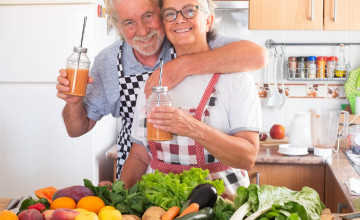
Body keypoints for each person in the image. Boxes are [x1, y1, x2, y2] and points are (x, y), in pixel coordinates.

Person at [56, 0, 267, 180]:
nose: (142, 31)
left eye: (148, 16)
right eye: (129, 22)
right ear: (118, 27)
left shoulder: (197, 41)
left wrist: (183, 66)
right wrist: (73, 103)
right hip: (145, 175)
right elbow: (80, 130)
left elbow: (258, 56)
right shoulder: (116, 65)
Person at [121, 0, 262, 196]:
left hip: (223, 203)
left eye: (189, 11)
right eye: (170, 14)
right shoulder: (154, 82)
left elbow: (247, 157)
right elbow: (139, 156)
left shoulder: (237, 79)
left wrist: (191, 127)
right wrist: (117, 197)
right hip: (160, 207)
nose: (179, 19)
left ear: (209, 20)